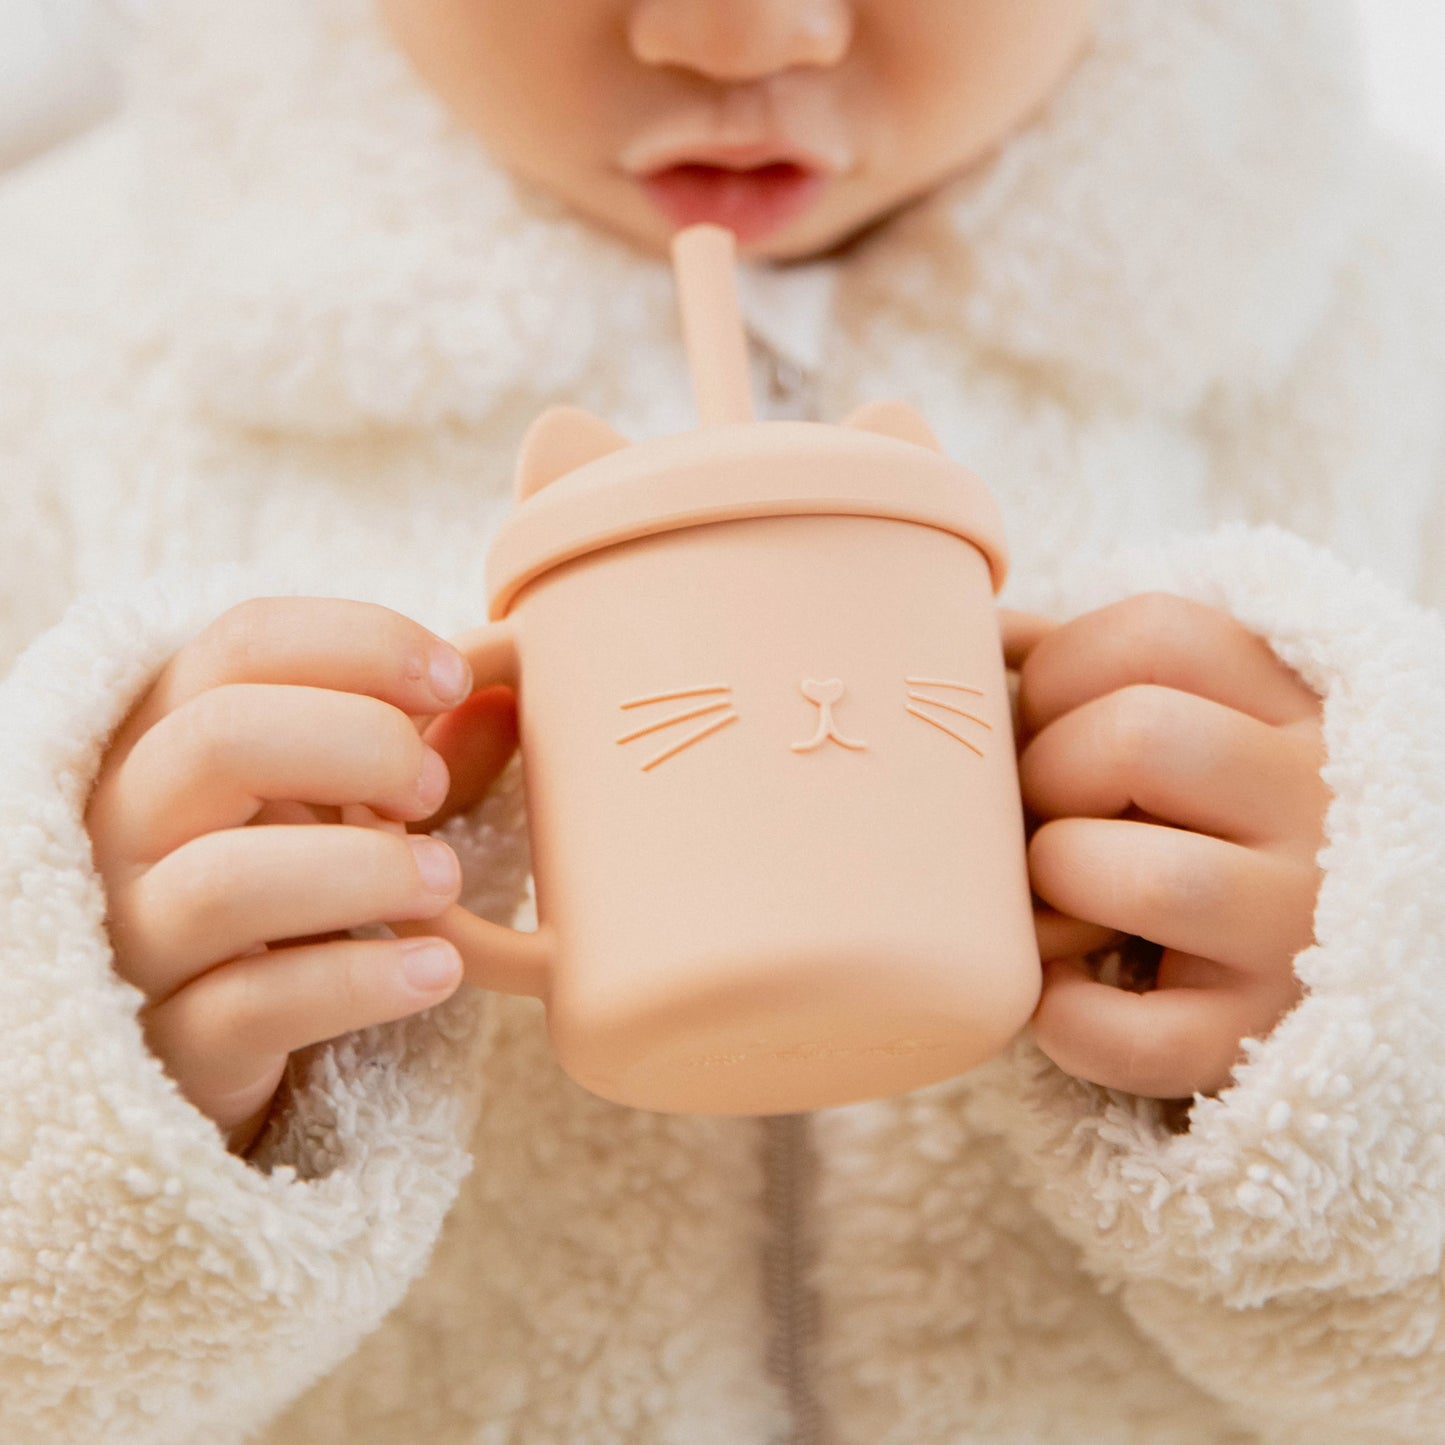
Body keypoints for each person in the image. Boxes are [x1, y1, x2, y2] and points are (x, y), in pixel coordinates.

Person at [1, 1, 1443, 1440]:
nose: (744, 38)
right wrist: (90, 1071)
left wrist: (1383, 1014)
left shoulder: (1391, 323)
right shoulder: (52, 347)